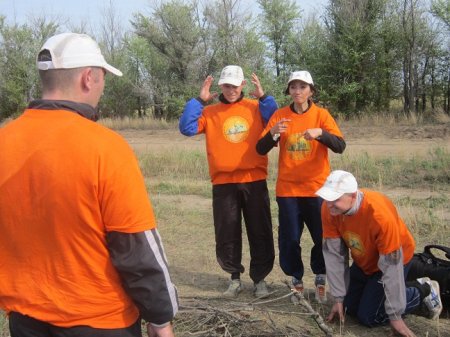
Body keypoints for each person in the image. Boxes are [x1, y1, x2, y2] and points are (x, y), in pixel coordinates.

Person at [0, 32, 178, 337]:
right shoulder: (106, 148)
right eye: (103, 78)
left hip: (25, 318)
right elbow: (136, 247)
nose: (103, 86)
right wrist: (160, 318)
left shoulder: (4, 141)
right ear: (88, 78)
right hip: (101, 320)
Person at [179, 65, 277, 298]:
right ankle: (234, 279)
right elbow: (186, 128)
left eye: (235, 85)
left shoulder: (255, 108)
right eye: (226, 85)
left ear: (243, 85)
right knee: (227, 232)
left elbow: (275, 119)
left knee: (259, 230)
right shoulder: (210, 112)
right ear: (220, 86)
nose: (231, 89)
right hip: (223, 183)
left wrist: (264, 97)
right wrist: (198, 101)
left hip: (253, 180)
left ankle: (260, 280)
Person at [316, 170, 443, 337]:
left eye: (336, 199)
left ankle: (422, 290)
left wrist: (395, 316)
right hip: (365, 260)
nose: (329, 203)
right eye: (328, 198)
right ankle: (386, 291)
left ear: (353, 196)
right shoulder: (329, 209)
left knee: (369, 316)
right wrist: (338, 298)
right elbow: (334, 255)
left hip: (395, 259)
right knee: (348, 308)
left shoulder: (378, 214)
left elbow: (391, 265)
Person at [256, 70, 346, 303]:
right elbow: (260, 149)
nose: (298, 91)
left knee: (322, 236)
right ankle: (295, 278)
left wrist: (321, 134)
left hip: (317, 190)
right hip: (288, 191)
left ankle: (320, 276)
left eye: (302, 87)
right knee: (290, 238)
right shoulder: (280, 115)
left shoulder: (321, 115)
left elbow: (340, 145)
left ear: (311, 91)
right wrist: (274, 134)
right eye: (293, 87)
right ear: (289, 91)